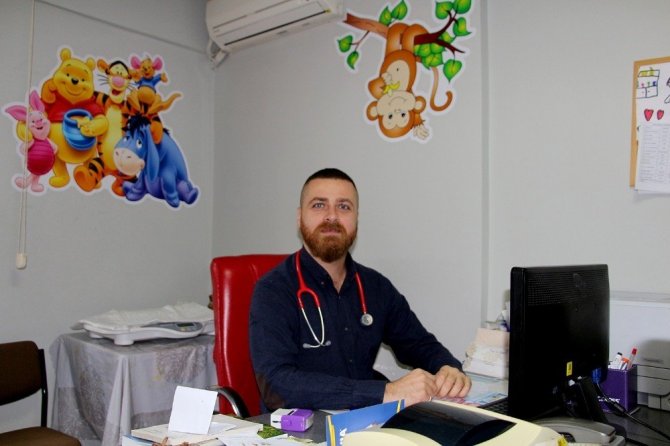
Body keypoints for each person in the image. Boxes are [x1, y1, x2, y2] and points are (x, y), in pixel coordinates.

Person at [249, 168, 471, 411]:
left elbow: (420, 345)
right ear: (300, 217)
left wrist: (448, 368)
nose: (331, 216)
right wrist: (385, 392)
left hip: (367, 421)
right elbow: (277, 386)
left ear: (356, 218)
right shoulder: (273, 290)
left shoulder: (376, 287)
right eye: (319, 205)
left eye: (344, 207)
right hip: (299, 426)